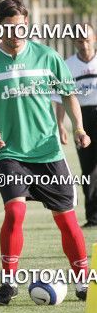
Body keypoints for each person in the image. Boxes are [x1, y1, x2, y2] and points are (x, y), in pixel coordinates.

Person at [0, 0, 90, 304]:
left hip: (47, 152)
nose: (16, 33)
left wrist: (78, 127)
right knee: (14, 210)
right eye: (9, 27)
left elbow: (69, 95)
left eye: (21, 26)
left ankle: (82, 281)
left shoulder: (47, 56)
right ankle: (9, 283)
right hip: (9, 153)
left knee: (66, 220)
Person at [55, 24, 97, 228]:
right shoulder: (68, 65)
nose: (84, 45)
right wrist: (61, 125)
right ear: (74, 42)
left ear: (94, 39)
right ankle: (93, 217)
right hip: (83, 119)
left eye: (87, 40)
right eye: (80, 41)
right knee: (88, 169)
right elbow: (61, 98)